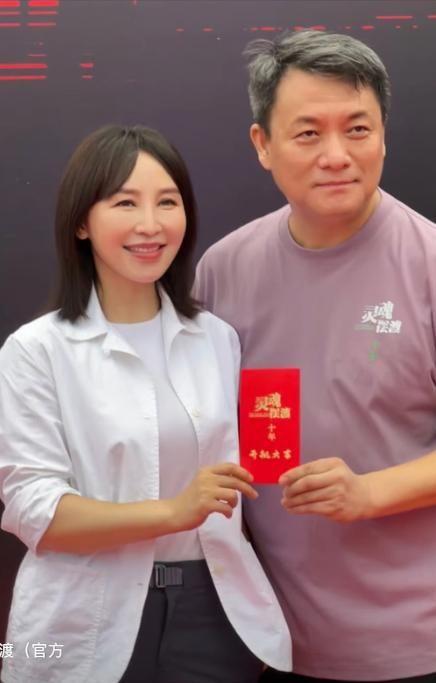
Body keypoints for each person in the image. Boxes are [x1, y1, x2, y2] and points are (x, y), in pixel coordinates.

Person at [0, 124, 292, 683]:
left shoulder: (218, 339)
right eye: (125, 203)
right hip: (82, 617)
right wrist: (172, 512)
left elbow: (258, 467)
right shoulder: (37, 350)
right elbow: (35, 508)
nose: (151, 224)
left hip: (214, 610)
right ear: (81, 222)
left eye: (167, 202)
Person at [194, 29, 436, 683]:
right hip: (271, 641)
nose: (337, 155)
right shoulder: (223, 270)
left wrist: (369, 492)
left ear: (383, 135)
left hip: (417, 644)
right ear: (263, 144)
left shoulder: (429, 262)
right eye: (308, 133)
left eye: (358, 129)